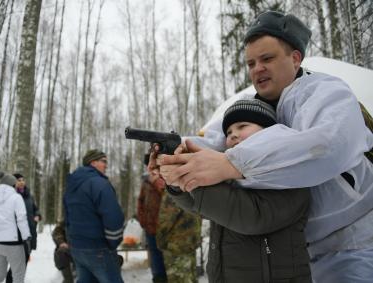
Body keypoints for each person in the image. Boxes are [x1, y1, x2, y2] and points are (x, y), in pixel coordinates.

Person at [153, 10, 373, 283]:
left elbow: (327, 145)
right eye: (250, 63)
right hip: (303, 251)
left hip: (356, 241)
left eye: (267, 58)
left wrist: (233, 163)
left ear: (295, 58)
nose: (257, 68)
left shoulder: (326, 92)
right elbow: (212, 142)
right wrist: (173, 154)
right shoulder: (253, 106)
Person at [164, 99, 311, 282]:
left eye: (242, 126)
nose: (233, 135)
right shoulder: (231, 173)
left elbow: (254, 217)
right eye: (229, 132)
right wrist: (176, 181)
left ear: (269, 131)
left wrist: (195, 176)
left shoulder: (290, 169)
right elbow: (201, 207)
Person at [64, 149, 125, 283]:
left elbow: (67, 217)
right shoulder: (99, 184)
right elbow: (113, 216)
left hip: (77, 248)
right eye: (103, 161)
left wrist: (71, 240)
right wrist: (113, 242)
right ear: (93, 163)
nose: (106, 165)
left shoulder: (72, 185)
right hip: (98, 248)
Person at [155, 170, 201, 283]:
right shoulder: (193, 186)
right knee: (191, 277)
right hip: (191, 242)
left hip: (176, 246)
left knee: (179, 278)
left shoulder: (173, 190)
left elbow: (166, 219)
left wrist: (159, 241)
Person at [0, 172, 31, 283]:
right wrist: (27, 238)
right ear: (12, 185)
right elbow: (21, 219)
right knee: (18, 277)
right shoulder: (16, 198)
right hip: (14, 244)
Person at [137, 154, 167, 283]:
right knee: (155, 257)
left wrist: (156, 181)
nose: (151, 169)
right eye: (149, 165)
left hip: (166, 229)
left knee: (166, 257)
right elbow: (140, 201)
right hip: (151, 228)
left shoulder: (168, 178)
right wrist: (143, 221)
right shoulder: (146, 181)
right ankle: (158, 278)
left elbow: (168, 197)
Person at [5, 173, 41, 283]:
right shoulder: (9, 196)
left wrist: (37, 216)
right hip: (15, 235)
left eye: (22, 180)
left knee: (23, 262)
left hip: (28, 235)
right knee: (17, 264)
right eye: (18, 180)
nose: (21, 182)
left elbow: (35, 209)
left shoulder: (29, 196)